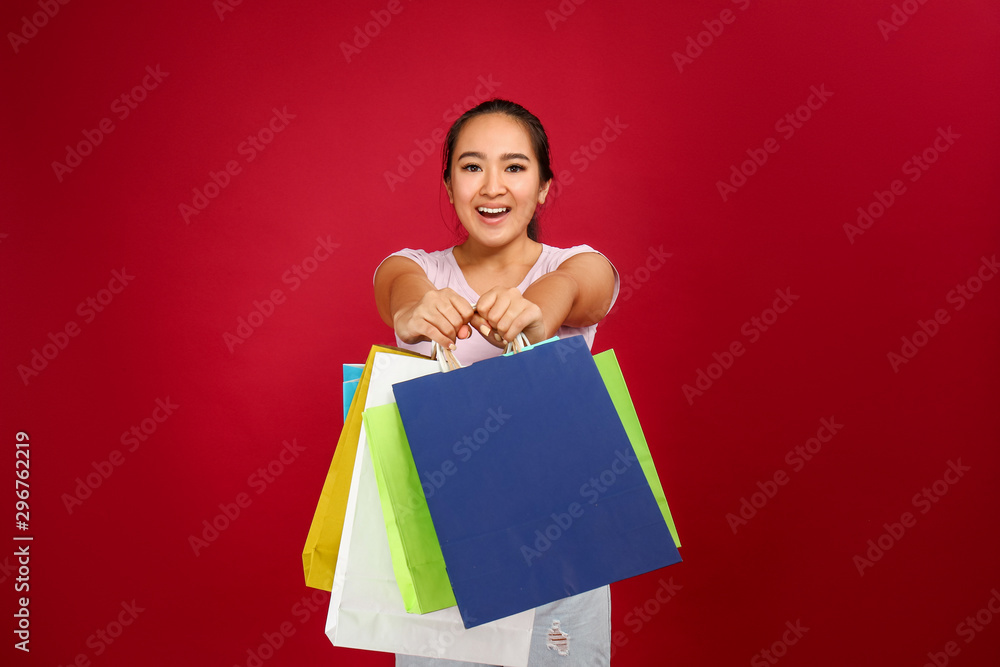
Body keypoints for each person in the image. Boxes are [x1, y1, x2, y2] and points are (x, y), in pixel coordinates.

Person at [373, 98, 620, 666]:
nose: (492, 186)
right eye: (471, 166)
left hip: (559, 538)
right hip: (448, 539)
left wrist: (536, 308)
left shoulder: (574, 264)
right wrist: (413, 313)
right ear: (449, 181)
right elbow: (397, 288)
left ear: (544, 187)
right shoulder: (418, 268)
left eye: (514, 167)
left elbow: (585, 286)